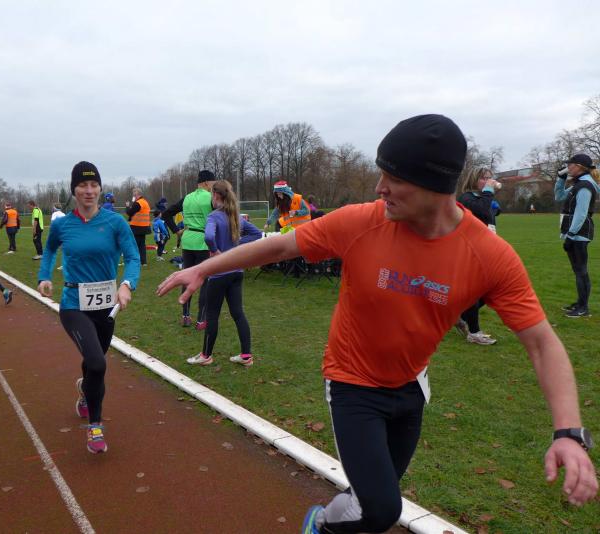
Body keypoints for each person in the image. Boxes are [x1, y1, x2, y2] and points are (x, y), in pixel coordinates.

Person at [157, 114, 597, 533]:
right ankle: (320, 523)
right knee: (382, 507)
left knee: (369, 498)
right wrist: (204, 269)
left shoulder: (489, 255)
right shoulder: (361, 222)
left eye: (394, 178)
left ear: (436, 186)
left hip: (411, 387)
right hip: (352, 383)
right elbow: (280, 248)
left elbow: (542, 343)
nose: (379, 187)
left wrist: (568, 433)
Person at [37, 161, 140, 454]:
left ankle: (86, 391)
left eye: (94, 184)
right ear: (74, 190)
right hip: (74, 305)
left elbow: (133, 257)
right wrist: (45, 276)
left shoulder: (115, 223)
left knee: (94, 361)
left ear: (100, 188)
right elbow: (49, 249)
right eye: (82, 185)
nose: (89, 190)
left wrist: (127, 284)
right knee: (97, 363)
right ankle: (95, 427)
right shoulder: (62, 225)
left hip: (106, 307)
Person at [186, 180, 261, 367]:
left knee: (212, 315)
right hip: (236, 272)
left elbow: (209, 236)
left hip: (219, 274)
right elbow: (257, 233)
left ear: (215, 196)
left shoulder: (214, 216)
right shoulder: (235, 216)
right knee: (238, 313)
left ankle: (206, 355)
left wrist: (215, 250)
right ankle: (246, 355)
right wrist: (235, 247)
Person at [454, 167, 503, 344]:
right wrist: (489, 192)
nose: (487, 181)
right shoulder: (466, 198)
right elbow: (481, 210)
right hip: (469, 251)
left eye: (489, 178)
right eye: (483, 178)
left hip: (486, 249)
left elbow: (488, 215)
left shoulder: (483, 198)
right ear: (474, 180)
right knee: (474, 291)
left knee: (491, 289)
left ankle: (459, 315)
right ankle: (474, 333)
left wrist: (495, 208)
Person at [162, 170, 216, 328]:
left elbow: (166, 214)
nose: (214, 186)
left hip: (187, 240)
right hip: (204, 241)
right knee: (205, 280)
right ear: (206, 182)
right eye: (213, 183)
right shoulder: (211, 197)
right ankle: (201, 320)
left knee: (187, 277)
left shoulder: (187, 198)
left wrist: (176, 231)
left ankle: (185, 316)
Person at [555, 153, 600, 318]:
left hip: (579, 234)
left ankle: (583, 308)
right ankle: (580, 303)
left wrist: (571, 235)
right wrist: (561, 179)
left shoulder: (585, 186)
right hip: (575, 234)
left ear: (579, 166)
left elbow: (581, 214)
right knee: (578, 270)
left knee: (581, 271)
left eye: (570, 165)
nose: (568, 167)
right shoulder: (579, 184)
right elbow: (559, 196)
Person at [125, 188, 151, 267]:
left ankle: (135, 261)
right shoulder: (145, 202)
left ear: (137, 194)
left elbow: (129, 212)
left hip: (137, 227)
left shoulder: (137, 203)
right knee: (142, 245)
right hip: (144, 226)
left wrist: (127, 206)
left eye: (134, 194)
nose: (133, 196)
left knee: (134, 245)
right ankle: (143, 262)